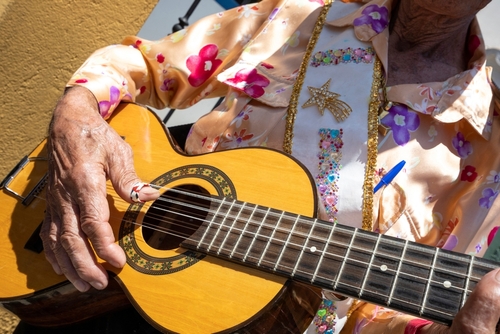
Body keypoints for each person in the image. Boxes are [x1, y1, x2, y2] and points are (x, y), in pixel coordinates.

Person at [38, 0, 500, 332]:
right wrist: (77, 118)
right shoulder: (299, 16)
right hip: (106, 283)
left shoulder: (490, 149)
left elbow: (389, 315)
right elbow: (142, 65)